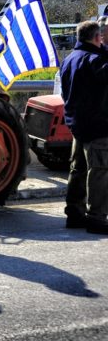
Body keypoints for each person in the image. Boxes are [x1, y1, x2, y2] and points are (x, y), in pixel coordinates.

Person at [60, 20, 108, 234]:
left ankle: (74, 213)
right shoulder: (95, 60)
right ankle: (97, 218)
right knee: (99, 171)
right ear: (97, 38)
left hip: (77, 124)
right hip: (98, 126)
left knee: (77, 169)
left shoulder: (70, 59)